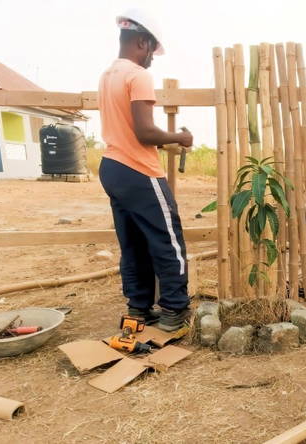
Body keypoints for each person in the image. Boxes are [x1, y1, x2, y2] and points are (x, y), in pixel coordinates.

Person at [98, 8, 193, 333]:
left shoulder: (108, 74)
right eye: (152, 50)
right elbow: (144, 133)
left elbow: (125, 129)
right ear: (142, 42)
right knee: (168, 241)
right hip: (138, 170)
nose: (152, 58)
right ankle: (175, 311)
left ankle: (138, 309)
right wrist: (179, 137)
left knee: (134, 243)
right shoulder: (138, 76)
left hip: (112, 167)